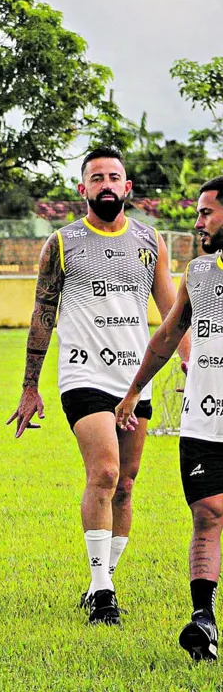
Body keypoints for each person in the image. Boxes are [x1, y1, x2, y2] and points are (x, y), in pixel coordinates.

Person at [8, 146, 187, 625]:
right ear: (82, 188)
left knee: (127, 484)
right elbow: (43, 313)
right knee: (105, 473)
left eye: (114, 177)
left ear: (128, 188)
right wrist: (30, 385)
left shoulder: (150, 242)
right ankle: (105, 593)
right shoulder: (61, 243)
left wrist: (193, 363)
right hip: (83, 376)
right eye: (97, 177)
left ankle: (99, 579)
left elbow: (173, 314)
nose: (106, 184)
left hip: (136, 380)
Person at [116, 175, 223, 661]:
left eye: (206, 212)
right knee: (208, 513)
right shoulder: (200, 273)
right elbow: (166, 336)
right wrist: (135, 388)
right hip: (203, 420)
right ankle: (204, 618)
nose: (198, 222)